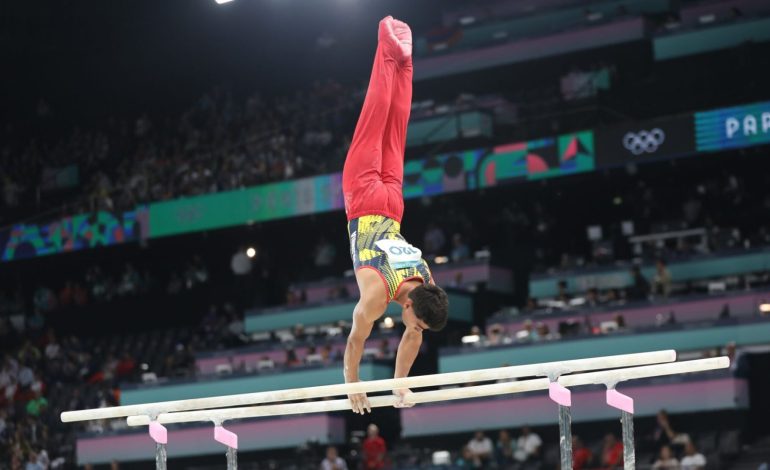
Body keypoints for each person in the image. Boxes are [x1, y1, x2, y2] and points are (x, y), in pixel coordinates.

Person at [342, 16, 449, 414]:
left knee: (396, 125)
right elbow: (355, 341)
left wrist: (399, 385)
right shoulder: (376, 295)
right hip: (365, 198)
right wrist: (352, 385)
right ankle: (386, 43)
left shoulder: (427, 284)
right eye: (418, 323)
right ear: (408, 308)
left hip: (393, 203)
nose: (416, 332)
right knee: (376, 114)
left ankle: (404, 62)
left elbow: (413, 336)